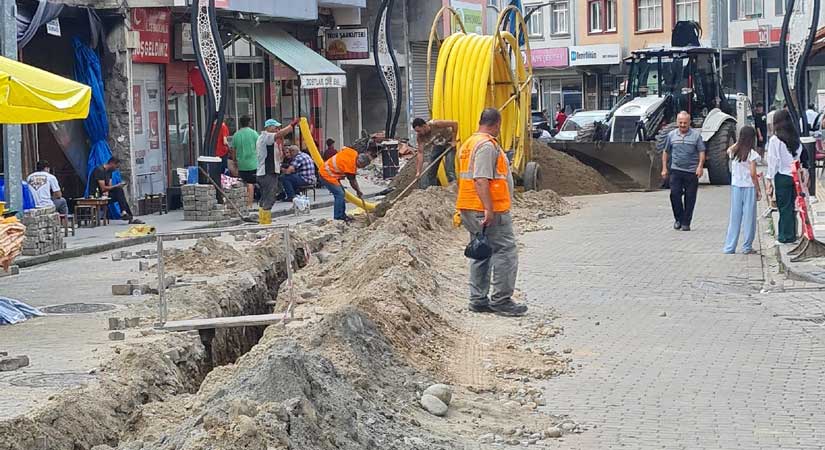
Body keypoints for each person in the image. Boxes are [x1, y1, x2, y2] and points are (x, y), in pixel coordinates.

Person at [457, 108, 527, 317]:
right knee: (505, 251)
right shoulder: (487, 146)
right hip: (487, 208)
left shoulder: (469, 143)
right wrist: (489, 209)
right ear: (497, 124)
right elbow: (481, 179)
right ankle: (501, 300)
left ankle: (478, 299)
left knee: (482, 251)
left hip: (469, 206)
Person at [661, 111, 706, 231]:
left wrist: (700, 166)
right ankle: (678, 219)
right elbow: (665, 152)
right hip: (676, 170)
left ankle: (686, 222)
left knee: (690, 197)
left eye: (685, 123)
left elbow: (702, 151)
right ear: (677, 122)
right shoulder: (671, 135)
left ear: (689, 123)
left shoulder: (696, 136)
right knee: (674, 194)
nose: (682, 125)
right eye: (680, 122)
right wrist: (664, 168)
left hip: (691, 172)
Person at [765, 109, 802, 244]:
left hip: (782, 175)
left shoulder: (775, 140)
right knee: (792, 206)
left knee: (783, 207)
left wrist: (769, 178)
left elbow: (773, 160)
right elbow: (798, 156)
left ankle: (784, 236)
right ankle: (792, 234)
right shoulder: (795, 138)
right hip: (794, 175)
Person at [724, 126, 762, 254]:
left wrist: (738, 142)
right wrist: (758, 188)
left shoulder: (733, 152)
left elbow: (729, 149)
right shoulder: (752, 154)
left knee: (734, 217)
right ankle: (747, 246)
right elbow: (752, 173)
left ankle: (730, 247)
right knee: (749, 218)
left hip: (736, 186)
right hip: (749, 187)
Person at [257, 118, 298, 222]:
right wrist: (291, 126)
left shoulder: (265, 138)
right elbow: (280, 134)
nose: (276, 129)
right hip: (267, 172)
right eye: (275, 127)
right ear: (268, 127)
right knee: (270, 196)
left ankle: (263, 218)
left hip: (265, 172)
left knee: (265, 196)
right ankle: (265, 221)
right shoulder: (266, 137)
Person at [319, 145, 373, 222]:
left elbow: (344, 148)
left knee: (342, 193)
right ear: (360, 162)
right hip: (326, 175)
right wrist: (358, 191)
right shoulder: (350, 166)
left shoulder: (353, 152)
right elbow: (352, 181)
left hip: (329, 172)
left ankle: (342, 215)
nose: (359, 168)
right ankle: (338, 217)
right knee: (339, 194)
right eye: (361, 166)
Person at [90, 157, 143, 224]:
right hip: (96, 195)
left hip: (105, 194)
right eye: (116, 166)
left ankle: (124, 212)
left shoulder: (109, 172)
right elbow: (103, 188)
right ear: (112, 163)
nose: (116, 169)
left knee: (119, 192)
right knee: (118, 190)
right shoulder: (99, 170)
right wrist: (116, 186)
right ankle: (126, 214)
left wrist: (111, 189)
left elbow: (109, 186)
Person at [412, 117, 458, 188]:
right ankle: (433, 189)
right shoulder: (420, 137)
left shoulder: (436, 124)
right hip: (438, 146)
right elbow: (420, 153)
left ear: (424, 126)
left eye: (419, 130)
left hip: (449, 144)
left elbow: (455, 123)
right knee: (431, 170)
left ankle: (454, 187)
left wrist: (454, 140)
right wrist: (418, 171)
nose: (418, 133)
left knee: (449, 168)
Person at [230, 115, 259, 208]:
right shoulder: (254, 134)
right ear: (249, 123)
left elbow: (233, 151)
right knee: (251, 184)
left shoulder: (236, 135)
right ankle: (249, 204)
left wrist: (234, 161)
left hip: (241, 163)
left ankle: (243, 203)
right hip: (253, 163)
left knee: (243, 183)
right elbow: (259, 147)